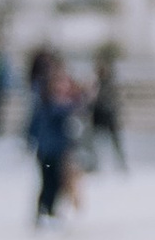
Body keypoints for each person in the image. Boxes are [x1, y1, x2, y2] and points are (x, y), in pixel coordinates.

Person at [26, 56, 83, 224]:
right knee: (48, 181)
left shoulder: (56, 101)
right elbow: (50, 117)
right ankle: (44, 211)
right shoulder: (49, 102)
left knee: (56, 181)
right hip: (47, 149)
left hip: (58, 149)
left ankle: (48, 211)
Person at [88, 43, 128, 174]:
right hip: (99, 115)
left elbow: (114, 99)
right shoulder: (96, 83)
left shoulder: (110, 83)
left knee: (115, 142)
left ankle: (121, 164)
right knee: (94, 141)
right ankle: (96, 164)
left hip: (108, 115)